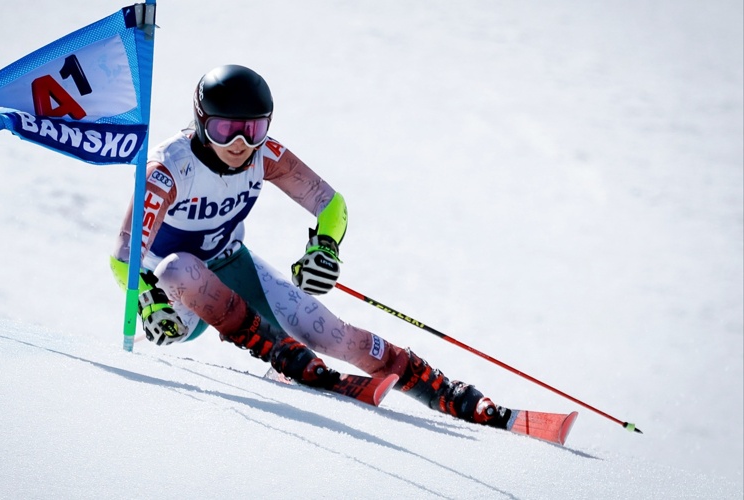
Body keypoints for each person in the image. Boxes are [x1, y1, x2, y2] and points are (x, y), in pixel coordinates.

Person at [110, 64, 510, 428]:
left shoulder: (264, 155)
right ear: (201, 123)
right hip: (174, 301)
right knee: (180, 266)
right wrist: (146, 293)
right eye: (223, 129)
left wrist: (326, 247)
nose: (238, 143)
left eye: (252, 129)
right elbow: (123, 254)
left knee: (335, 335)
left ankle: (444, 392)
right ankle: (285, 355)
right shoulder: (168, 169)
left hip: (232, 266)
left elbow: (331, 204)